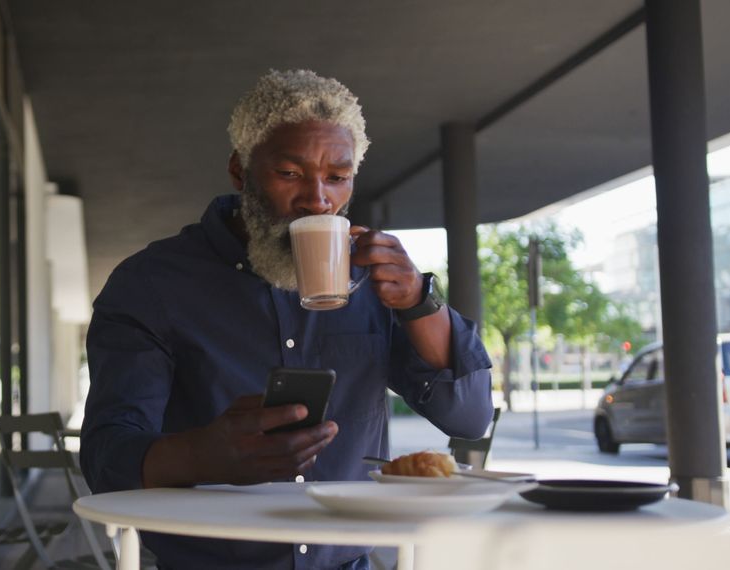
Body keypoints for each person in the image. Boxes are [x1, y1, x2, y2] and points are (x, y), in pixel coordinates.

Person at [81, 69, 493, 570]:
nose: (317, 199)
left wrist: (419, 303)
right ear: (240, 171)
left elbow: (468, 420)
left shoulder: (374, 281)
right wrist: (204, 455)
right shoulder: (152, 284)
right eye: (291, 173)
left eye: (337, 178)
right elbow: (107, 457)